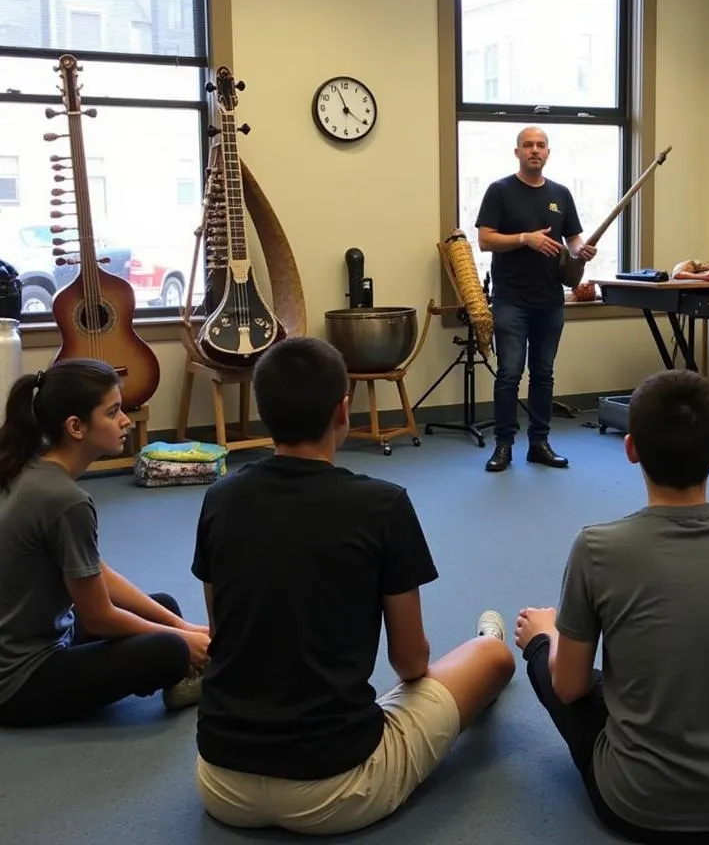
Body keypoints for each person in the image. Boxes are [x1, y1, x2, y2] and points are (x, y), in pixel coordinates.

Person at [192, 336, 515, 836]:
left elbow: (222, 632)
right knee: (493, 659)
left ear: (262, 409)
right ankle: (486, 638)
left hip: (219, 781)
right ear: (343, 410)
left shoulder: (220, 497)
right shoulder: (382, 505)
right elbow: (410, 665)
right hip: (336, 790)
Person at [514, 369, 709, 843]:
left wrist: (548, 636)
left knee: (545, 653)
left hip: (635, 805)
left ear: (630, 448)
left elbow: (570, 687)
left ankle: (540, 640)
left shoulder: (597, 548)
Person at [0, 359, 207, 728]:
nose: (126, 420)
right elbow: (99, 616)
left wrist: (182, 625)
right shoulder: (65, 499)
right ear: (76, 427)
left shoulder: (29, 467)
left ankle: (184, 653)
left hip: (38, 633)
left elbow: (95, 571)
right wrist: (180, 638)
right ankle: (185, 667)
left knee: (163, 607)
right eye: (113, 412)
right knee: (168, 650)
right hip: (18, 683)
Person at [475, 125, 597, 472]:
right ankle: (503, 446)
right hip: (511, 300)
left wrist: (581, 251)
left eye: (540, 145)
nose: (534, 150)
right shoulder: (499, 191)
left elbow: (572, 239)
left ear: (548, 153)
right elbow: (485, 240)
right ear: (517, 152)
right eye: (527, 145)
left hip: (550, 300)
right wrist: (525, 238)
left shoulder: (561, 194)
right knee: (509, 374)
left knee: (543, 374)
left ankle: (539, 443)